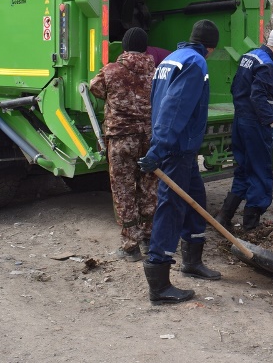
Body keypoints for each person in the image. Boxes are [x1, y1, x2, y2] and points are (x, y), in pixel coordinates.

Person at [137, 19, 221, 305]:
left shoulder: (171, 59)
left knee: (196, 199)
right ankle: (159, 284)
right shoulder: (196, 63)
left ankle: (192, 261)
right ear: (211, 47)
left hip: (180, 148)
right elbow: (174, 108)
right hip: (176, 149)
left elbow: (156, 102)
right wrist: (160, 148)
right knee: (170, 208)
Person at [89, 27, 157, 262]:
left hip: (121, 140)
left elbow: (94, 88)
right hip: (149, 139)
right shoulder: (156, 72)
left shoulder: (111, 71)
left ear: (125, 47)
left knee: (123, 190)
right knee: (149, 187)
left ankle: (130, 246)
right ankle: (149, 238)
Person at [215, 28, 273, 232]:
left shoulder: (248, 56)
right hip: (255, 123)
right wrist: (272, 123)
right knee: (260, 170)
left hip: (240, 119)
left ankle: (225, 215)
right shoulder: (267, 64)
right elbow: (259, 96)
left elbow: (235, 87)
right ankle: (251, 224)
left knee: (243, 168)